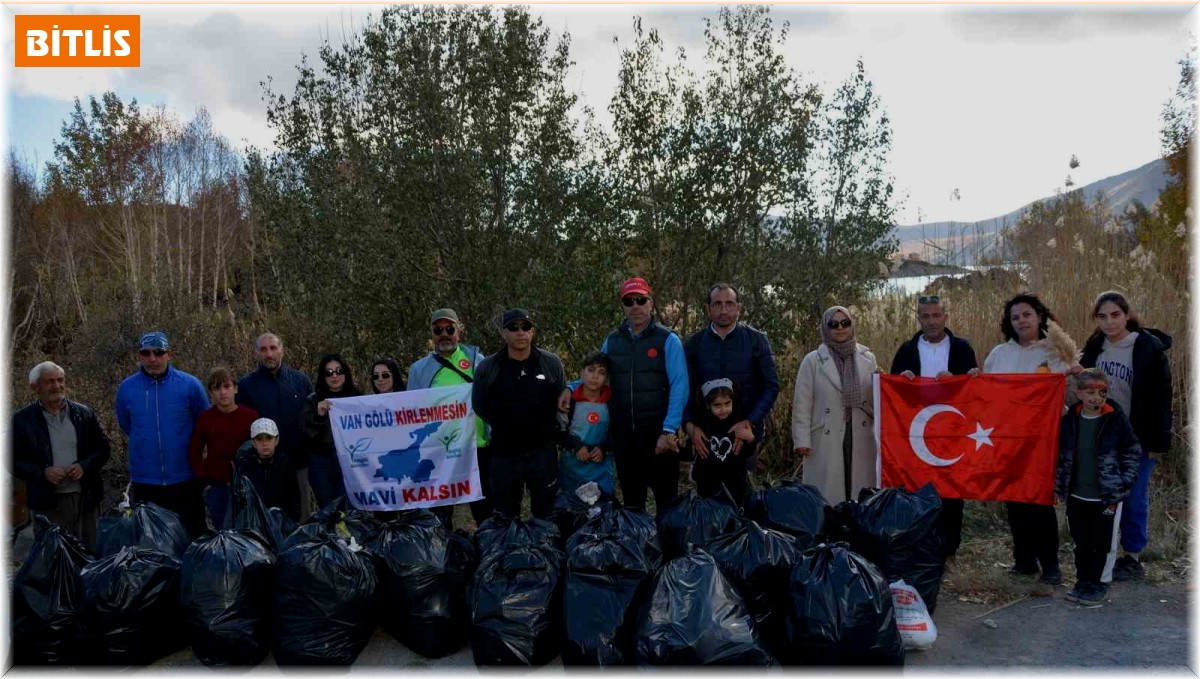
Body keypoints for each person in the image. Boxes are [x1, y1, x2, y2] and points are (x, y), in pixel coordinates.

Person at [982, 292, 1076, 585]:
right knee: (1014, 499)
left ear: (1039, 316)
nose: (1021, 321)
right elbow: (985, 394)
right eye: (1015, 317)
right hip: (1008, 438)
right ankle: (1024, 561)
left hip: (1043, 439)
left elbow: (1071, 396)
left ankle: (1051, 565)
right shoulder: (999, 354)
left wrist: (1075, 375)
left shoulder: (1056, 352)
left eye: (1026, 314)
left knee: (1039, 499)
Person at [1080, 291, 1173, 581]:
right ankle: (1102, 549)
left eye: (1115, 315)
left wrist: (1157, 443)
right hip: (1102, 435)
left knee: (1133, 498)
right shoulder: (1095, 346)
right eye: (1102, 316)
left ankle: (1132, 556)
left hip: (1137, 438)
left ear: (1127, 314)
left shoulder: (1147, 347)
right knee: (1103, 497)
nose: (1109, 322)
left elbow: (1161, 399)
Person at [888, 293, 980, 560]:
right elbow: (893, 394)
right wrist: (902, 380)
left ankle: (950, 549)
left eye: (936, 315)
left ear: (945, 317)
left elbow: (974, 391)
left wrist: (959, 380)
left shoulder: (962, 348)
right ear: (918, 318)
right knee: (918, 490)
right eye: (925, 316)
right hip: (917, 431)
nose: (931, 321)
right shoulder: (907, 349)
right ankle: (922, 546)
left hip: (952, 430)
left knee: (952, 492)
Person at [586, 277, 689, 513]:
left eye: (640, 300)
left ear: (651, 303)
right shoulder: (612, 341)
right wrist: (570, 389)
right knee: (632, 506)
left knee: (667, 506)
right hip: (625, 440)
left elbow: (680, 386)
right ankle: (640, 549)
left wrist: (669, 430)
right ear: (623, 306)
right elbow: (594, 376)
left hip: (659, 439)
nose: (635, 306)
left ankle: (672, 550)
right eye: (629, 301)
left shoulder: (668, 340)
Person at [473, 309, 583, 519]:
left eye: (526, 327)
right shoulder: (488, 367)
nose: (520, 332)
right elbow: (479, 405)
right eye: (513, 327)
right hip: (504, 454)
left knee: (546, 513)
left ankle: (546, 550)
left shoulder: (550, 363)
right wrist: (505, 424)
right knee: (505, 515)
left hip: (542, 452)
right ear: (503, 333)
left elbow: (561, 395)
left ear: (532, 332)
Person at [1055, 369, 1141, 604]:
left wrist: (1125, 480)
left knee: (1103, 542)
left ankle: (1100, 583)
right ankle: (1083, 580)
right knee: (1081, 541)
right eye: (1090, 392)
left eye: (1101, 392)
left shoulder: (1116, 420)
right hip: (1077, 494)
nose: (1096, 397)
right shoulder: (1069, 421)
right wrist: (1058, 486)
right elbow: (1061, 457)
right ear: (1078, 393)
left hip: (1107, 495)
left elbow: (1132, 450)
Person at [115, 331, 210, 538]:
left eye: (159, 352)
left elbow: (204, 424)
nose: (152, 359)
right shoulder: (127, 389)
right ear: (139, 356)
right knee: (152, 543)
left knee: (192, 536)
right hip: (146, 480)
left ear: (169, 354)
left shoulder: (190, 385)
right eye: (146, 353)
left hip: (184, 478)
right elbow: (127, 424)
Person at [682, 283, 779, 477]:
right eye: (717, 304)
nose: (724, 310)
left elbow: (771, 386)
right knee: (708, 495)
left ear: (738, 308)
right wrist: (689, 426)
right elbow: (682, 389)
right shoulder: (694, 344)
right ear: (708, 309)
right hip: (705, 436)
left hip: (743, 435)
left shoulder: (756, 340)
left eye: (729, 303)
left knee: (740, 494)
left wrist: (749, 421)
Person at [11, 362, 111, 549]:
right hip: (47, 501)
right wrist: (43, 472)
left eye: (60, 380)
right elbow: (12, 460)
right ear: (35, 387)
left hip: (85, 497)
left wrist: (84, 465)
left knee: (88, 553)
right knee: (54, 556)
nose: (57, 386)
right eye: (49, 382)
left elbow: (103, 448)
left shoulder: (83, 414)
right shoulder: (22, 420)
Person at [407, 309, 493, 527]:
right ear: (432, 334)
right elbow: (409, 409)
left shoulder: (478, 361)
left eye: (449, 329)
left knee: (485, 510)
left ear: (459, 331)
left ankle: (488, 553)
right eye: (438, 330)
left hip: (476, 448)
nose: (444, 334)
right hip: (439, 452)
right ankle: (444, 554)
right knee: (439, 512)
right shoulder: (419, 369)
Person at [790, 306, 880, 504]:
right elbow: (802, 404)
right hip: (825, 432)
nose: (840, 328)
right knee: (829, 492)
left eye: (845, 323)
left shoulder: (868, 358)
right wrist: (801, 440)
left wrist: (885, 382)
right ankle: (830, 529)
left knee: (859, 488)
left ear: (852, 325)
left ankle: (858, 527)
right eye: (833, 324)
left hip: (861, 432)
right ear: (825, 327)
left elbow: (876, 399)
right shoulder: (812, 361)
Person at [237, 332, 315, 519]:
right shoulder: (247, 385)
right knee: (265, 520)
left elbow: (312, 421)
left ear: (282, 350)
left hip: (298, 464)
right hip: (264, 469)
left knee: (301, 518)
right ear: (256, 353)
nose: (269, 354)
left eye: (273, 348)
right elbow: (242, 426)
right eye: (263, 349)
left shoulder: (300, 381)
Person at [188, 367, 259, 529]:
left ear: (235, 388)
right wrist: (204, 482)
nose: (223, 392)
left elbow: (261, 449)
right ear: (210, 392)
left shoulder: (250, 417)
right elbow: (194, 451)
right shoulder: (206, 419)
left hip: (245, 487)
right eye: (217, 388)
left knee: (247, 531)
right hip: (216, 487)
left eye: (227, 386)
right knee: (223, 533)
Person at [300, 353, 362, 510]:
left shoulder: (358, 397)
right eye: (329, 372)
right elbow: (306, 432)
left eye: (339, 371)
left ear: (345, 372)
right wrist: (319, 416)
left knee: (352, 505)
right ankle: (334, 535)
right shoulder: (313, 400)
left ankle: (353, 535)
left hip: (352, 459)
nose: (334, 376)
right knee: (329, 508)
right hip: (322, 461)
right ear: (323, 376)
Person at [690, 378, 755, 505]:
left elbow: (747, 452)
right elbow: (691, 451)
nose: (723, 409)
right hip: (708, 484)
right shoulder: (702, 427)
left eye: (727, 404)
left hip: (734, 483)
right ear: (708, 405)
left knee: (735, 514)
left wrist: (750, 438)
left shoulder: (738, 425)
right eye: (717, 405)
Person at [559, 352, 615, 498]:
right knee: (572, 510)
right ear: (581, 372)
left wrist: (604, 448)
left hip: (601, 468)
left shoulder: (612, 401)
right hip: (572, 467)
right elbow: (558, 431)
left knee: (600, 510)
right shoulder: (569, 400)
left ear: (607, 378)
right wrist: (576, 445)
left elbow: (618, 431)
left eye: (601, 373)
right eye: (591, 370)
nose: (595, 377)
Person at [234, 418, 302, 522]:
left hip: (281, 522)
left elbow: (294, 497)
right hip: (253, 523)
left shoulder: (285, 464)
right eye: (259, 439)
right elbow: (237, 500)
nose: (264, 443)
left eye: (269, 438)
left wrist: (293, 521)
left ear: (276, 440)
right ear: (253, 442)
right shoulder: (244, 465)